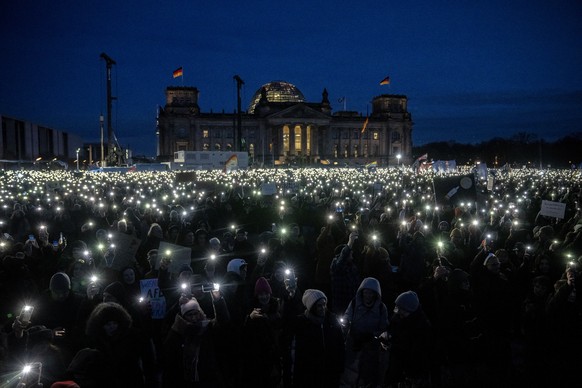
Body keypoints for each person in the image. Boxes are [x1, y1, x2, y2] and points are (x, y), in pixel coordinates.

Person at [162, 290, 229, 388]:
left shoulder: (207, 327)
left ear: (200, 313)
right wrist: (178, 305)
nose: (194, 318)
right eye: (189, 315)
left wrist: (218, 301)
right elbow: (168, 352)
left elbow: (223, 322)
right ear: (183, 317)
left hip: (208, 379)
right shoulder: (177, 332)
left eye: (196, 313)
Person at [84, 302, 156, 388]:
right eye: (108, 324)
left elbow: (148, 363)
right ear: (101, 325)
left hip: (131, 381)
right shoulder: (97, 340)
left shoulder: (133, 337)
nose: (112, 327)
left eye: (114, 323)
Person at [284, 289, 345, 388]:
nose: (323, 308)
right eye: (319, 305)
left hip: (330, 373)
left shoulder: (331, 321)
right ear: (312, 307)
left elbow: (340, 344)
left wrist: (340, 367)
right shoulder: (302, 323)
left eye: (324, 304)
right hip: (310, 374)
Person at [342, 277, 389, 388]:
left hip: (371, 345)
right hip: (354, 341)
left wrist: (374, 335)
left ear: (375, 294)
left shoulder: (381, 308)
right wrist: (346, 324)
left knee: (368, 371)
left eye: (370, 293)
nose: (367, 295)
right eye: (365, 292)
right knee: (350, 369)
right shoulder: (354, 303)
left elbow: (384, 328)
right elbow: (347, 316)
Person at [385, 290, 433, 388]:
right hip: (398, 368)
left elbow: (418, 352)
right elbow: (392, 332)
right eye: (398, 308)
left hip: (413, 371)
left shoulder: (422, 326)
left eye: (402, 309)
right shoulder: (398, 318)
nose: (398, 311)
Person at [241, 277, 282, 388]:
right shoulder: (251, 310)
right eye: (260, 294)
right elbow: (245, 335)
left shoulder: (276, 307)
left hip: (274, 356)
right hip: (257, 358)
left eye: (266, 293)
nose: (264, 297)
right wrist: (250, 319)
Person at [330, 231, 360, 314]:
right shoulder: (336, 265)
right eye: (350, 253)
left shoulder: (352, 265)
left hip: (352, 300)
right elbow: (343, 257)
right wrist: (350, 242)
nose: (352, 254)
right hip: (341, 303)